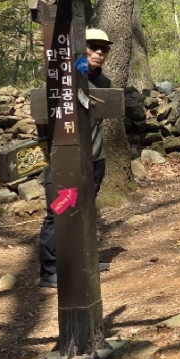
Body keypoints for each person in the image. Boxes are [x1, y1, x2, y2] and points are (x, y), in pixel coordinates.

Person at [38, 28, 114, 288]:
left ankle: (85, 259)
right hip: (65, 163)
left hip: (94, 160)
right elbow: (43, 118)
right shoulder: (63, 79)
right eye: (93, 47)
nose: (99, 52)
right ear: (80, 49)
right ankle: (50, 269)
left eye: (104, 48)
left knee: (85, 211)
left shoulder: (103, 83)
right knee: (59, 212)